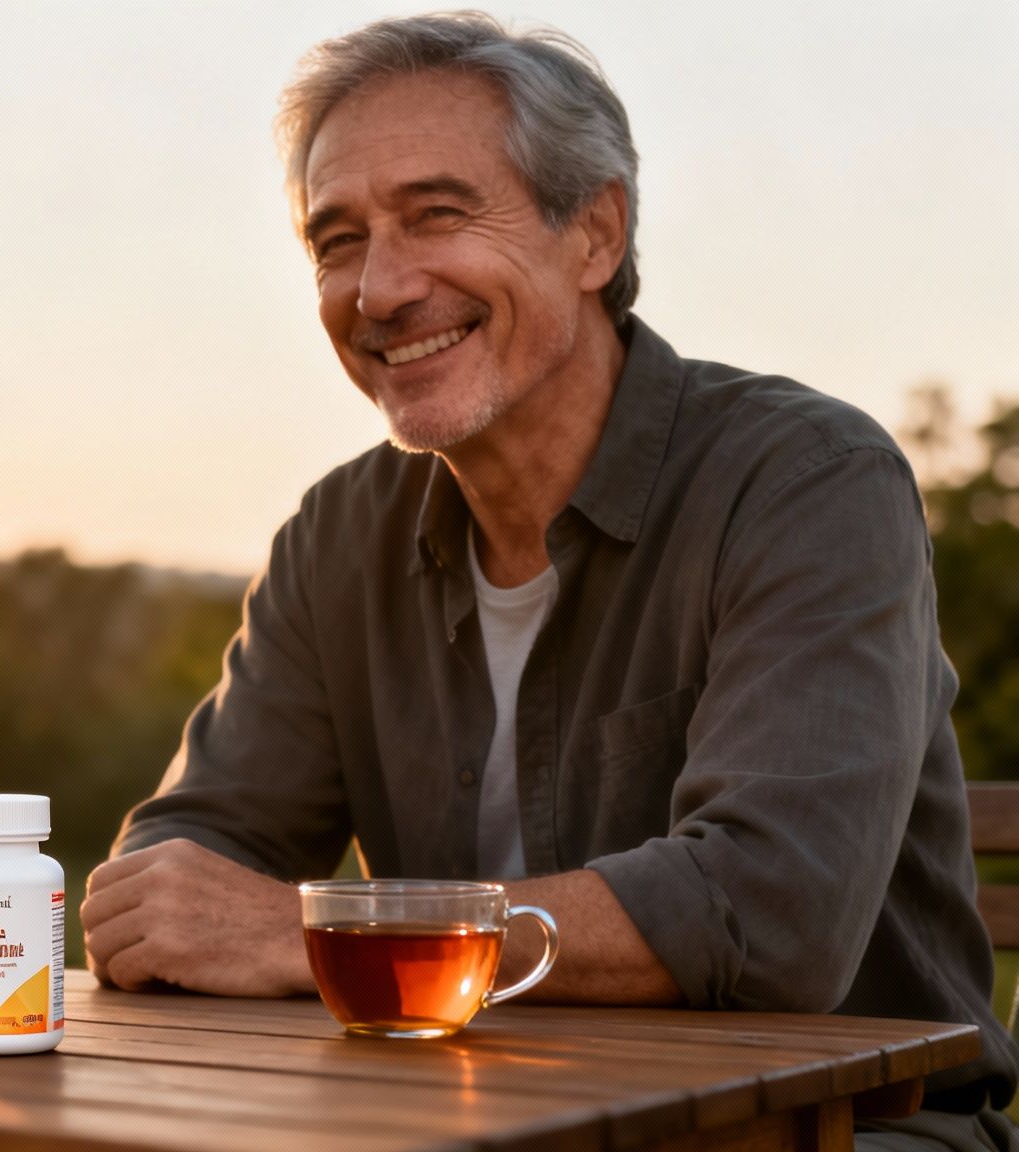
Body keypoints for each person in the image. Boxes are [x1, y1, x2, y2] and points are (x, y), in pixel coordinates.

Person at [77, 12, 1018, 1151]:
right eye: (334, 241)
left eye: (436, 215)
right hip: (472, 1122)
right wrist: (184, 914)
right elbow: (177, 879)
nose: (376, 288)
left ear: (595, 234)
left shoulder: (806, 483)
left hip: (840, 1132)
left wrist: (307, 938)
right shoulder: (338, 535)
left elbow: (772, 914)